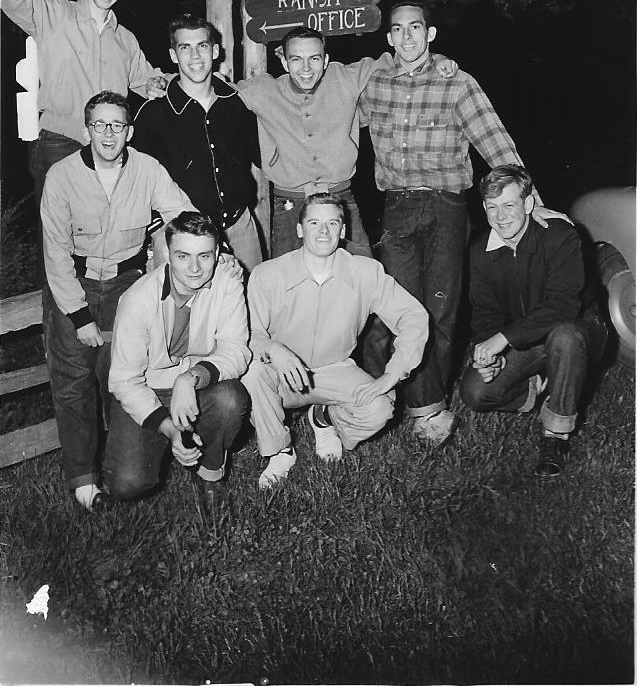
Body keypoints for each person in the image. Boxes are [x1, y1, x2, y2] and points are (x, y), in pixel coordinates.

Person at [360, 0, 567, 446]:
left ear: (430, 33)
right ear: (388, 38)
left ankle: (426, 411)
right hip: (396, 206)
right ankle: (414, 404)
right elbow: (326, 104)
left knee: (442, 311)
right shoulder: (373, 84)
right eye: (398, 30)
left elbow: (495, 142)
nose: (408, 37)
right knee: (401, 310)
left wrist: (534, 201)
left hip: (446, 208)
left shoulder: (458, 83)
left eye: (416, 28)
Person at [40, 91, 195, 512]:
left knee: (122, 375)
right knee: (74, 384)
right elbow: (54, 252)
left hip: (128, 281)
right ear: (86, 129)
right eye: (99, 125)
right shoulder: (61, 175)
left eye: (117, 126)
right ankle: (84, 480)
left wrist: (198, 253)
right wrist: (78, 315)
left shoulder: (147, 169)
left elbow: (182, 215)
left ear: (129, 131)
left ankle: (120, 464)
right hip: (76, 281)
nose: (108, 134)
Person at [242, 193, 429, 488]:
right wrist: (273, 349)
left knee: (380, 408)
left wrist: (392, 374)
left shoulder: (365, 272)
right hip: (282, 374)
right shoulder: (268, 274)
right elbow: (249, 334)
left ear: (343, 231)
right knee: (252, 374)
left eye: (332, 223)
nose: (324, 231)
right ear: (300, 229)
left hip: (335, 370)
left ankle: (325, 417)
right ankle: (280, 450)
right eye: (314, 222)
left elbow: (413, 317)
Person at [1, 0, 167, 212]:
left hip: (108, 146)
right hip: (58, 143)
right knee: (59, 245)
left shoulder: (125, 40)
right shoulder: (55, 15)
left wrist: (156, 85)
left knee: (102, 246)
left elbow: (149, 83)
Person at [234, 25, 456, 257]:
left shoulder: (345, 77)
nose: (307, 68)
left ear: (326, 60)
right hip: (290, 204)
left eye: (315, 58)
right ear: (285, 63)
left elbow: (397, 60)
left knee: (364, 276)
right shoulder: (263, 89)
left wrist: (438, 59)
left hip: (340, 199)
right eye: (297, 59)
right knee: (288, 284)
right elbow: (218, 93)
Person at [459, 166, 607, 478]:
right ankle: (535, 385)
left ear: (528, 205)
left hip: (579, 328)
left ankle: (556, 434)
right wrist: (492, 352)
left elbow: (564, 305)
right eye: (492, 207)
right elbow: (485, 312)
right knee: (475, 392)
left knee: (565, 336)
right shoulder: (480, 251)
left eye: (509, 205)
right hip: (526, 336)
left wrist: (503, 339)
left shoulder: (559, 235)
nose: (501, 217)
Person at [105, 212, 251, 514]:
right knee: (128, 484)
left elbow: (236, 349)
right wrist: (170, 429)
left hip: (196, 386)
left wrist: (191, 378)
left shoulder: (228, 284)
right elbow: (124, 380)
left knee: (230, 399)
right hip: (149, 388)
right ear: (166, 254)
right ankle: (171, 441)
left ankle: (210, 471)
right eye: (183, 256)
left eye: (205, 256)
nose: (195, 268)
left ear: (218, 254)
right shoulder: (137, 300)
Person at [132, 14, 263, 273]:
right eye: (185, 48)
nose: (195, 56)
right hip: (183, 236)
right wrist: (158, 230)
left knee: (251, 304)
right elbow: (134, 179)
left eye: (202, 46)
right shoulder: (153, 113)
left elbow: (258, 153)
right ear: (173, 55)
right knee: (185, 311)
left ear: (214, 51)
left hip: (239, 228)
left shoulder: (236, 103)